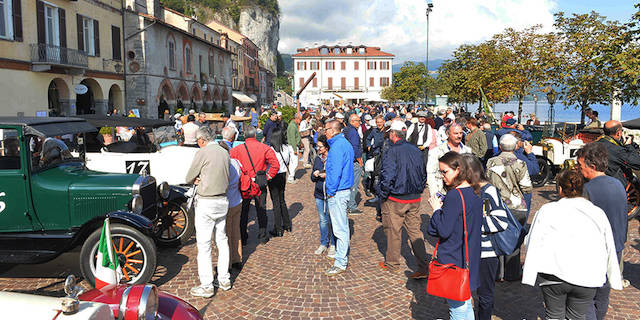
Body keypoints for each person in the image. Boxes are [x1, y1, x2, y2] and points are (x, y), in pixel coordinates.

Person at [522, 169, 622, 320]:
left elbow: (533, 240)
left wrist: (530, 272)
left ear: (560, 189)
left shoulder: (547, 210)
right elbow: (609, 245)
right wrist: (613, 277)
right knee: (577, 316)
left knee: (554, 315)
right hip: (586, 276)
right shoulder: (597, 213)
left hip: (552, 274)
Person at [427, 151, 483, 319]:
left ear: (458, 170)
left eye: (445, 172)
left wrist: (437, 209)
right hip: (469, 255)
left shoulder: (454, 196)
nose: (442, 176)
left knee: (457, 308)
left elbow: (443, 230)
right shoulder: (474, 192)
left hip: (453, 257)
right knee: (465, 304)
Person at [576, 143, 628, 320]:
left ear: (592, 166)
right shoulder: (619, 184)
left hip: (595, 249)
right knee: (603, 294)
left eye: (580, 166)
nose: (579, 170)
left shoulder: (587, 189)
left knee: (587, 296)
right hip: (616, 245)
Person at [376, 120, 428, 279]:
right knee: (415, 231)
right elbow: (423, 173)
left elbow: (387, 175)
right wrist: (418, 189)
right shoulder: (415, 150)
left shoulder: (392, 151)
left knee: (393, 231)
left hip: (396, 198)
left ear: (393, 134)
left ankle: (392, 263)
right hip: (414, 197)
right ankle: (424, 267)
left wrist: (383, 193)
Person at [461, 154, 509, 320]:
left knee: (485, 296)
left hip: (486, 254)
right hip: (467, 252)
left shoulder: (489, 191)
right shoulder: (465, 190)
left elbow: (501, 222)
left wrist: (472, 223)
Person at [185, 126, 232, 297]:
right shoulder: (224, 152)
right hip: (223, 200)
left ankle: (207, 285)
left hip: (207, 201)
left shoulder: (202, 152)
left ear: (201, 140)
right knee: (222, 239)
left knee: (204, 245)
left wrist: (197, 179)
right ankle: (224, 278)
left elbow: (188, 176)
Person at [486, 134, 532, 281]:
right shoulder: (520, 163)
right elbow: (527, 188)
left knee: (497, 237)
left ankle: (498, 273)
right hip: (516, 205)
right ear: (515, 146)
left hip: (496, 204)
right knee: (515, 238)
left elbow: (487, 182)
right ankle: (512, 273)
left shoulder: (491, 162)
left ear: (500, 146)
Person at [230, 126, 280, 245]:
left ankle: (243, 237)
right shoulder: (264, 147)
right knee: (261, 209)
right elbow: (275, 165)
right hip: (260, 181)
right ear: (254, 135)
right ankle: (263, 235)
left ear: (244, 135)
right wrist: (268, 176)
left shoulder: (237, 149)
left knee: (243, 211)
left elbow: (230, 164)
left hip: (244, 183)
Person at [323, 120, 354, 276]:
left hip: (338, 191)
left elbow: (335, 172)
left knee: (340, 228)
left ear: (333, 131)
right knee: (341, 226)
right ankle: (340, 256)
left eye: (326, 129)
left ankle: (341, 261)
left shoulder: (336, 147)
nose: (324, 132)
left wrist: (331, 190)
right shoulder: (345, 144)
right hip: (344, 190)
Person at [218, 126, 243, 271]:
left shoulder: (224, 164)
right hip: (237, 200)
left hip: (226, 203)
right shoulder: (236, 162)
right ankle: (237, 258)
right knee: (236, 231)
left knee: (225, 235)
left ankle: (226, 263)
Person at [426, 123, 472, 197]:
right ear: (447, 134)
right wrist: (435, 195)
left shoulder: (468, 151)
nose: (459, 136)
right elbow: (431, 174)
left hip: (464, 193)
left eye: (461, 133)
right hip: (444, 193)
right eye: (456, 133)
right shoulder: (436, 152)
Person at [311, 135, 336, 257]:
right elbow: (312, 178)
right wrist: (315, 174)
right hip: (319, 194)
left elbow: (336, 175)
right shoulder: (317, 159)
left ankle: (333, 244)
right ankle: (323, 243)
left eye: (320, 146)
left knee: (332, 220)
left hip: (331, 193)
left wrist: (327, 175)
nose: (318, 148)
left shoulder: (332, 158)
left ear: (326, 147)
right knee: (323, 220)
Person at [595, 120, 640, 187]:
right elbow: (637, 163)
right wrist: (629, 145)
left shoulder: (594, 144)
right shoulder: (617, 150)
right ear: (619, 133)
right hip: (614, 185)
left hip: (596, 180)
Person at [268, 128, 293, 237]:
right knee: (282, 200)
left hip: (273, 175)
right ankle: (287, 224)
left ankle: (278, 228)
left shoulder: (271, 149)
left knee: (276, 202)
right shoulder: (287, 148)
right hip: (282, 174)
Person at [345, 114, 364, 215]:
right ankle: (352, 206)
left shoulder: (347, 129)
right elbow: (355, 147)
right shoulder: (353, 132)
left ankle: (348, 204)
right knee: (354, 184)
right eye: (358, 120)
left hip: (348, 160)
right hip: (354, 161)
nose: (360, 122)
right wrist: (360, 161)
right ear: (352, 121)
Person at [286, 113, 302, 183]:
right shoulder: (292, 126)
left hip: (293, 146)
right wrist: (295, 149)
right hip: (293, 146)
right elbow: (292, 138)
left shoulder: (293, 125)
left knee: (293, 162)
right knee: (294, 162)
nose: (300, 121)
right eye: (300, 119)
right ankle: (291, 177)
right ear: (297, 118)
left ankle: (291, 176)